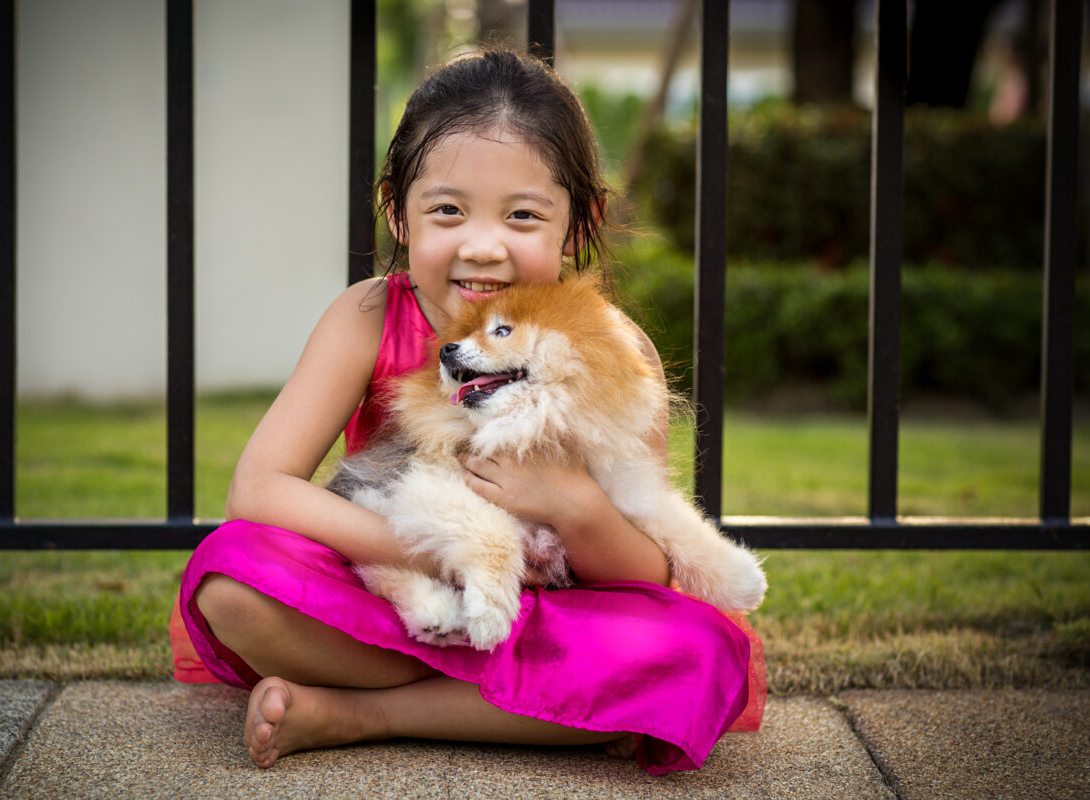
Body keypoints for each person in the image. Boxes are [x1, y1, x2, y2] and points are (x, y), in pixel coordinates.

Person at [171, 46, 765, 776]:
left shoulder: (608, 347)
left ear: (580, 223)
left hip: (550, 613)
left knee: (692, 654)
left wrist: (575, 508)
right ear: (398, 210)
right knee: (233, 581)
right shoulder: (366, 316)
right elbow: (258, 490)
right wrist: (449, 555)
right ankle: (520, 708)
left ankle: (361, 711)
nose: (483, 247)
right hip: (396, 580)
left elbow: (645, 573)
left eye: (522, 216)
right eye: (448, 210)